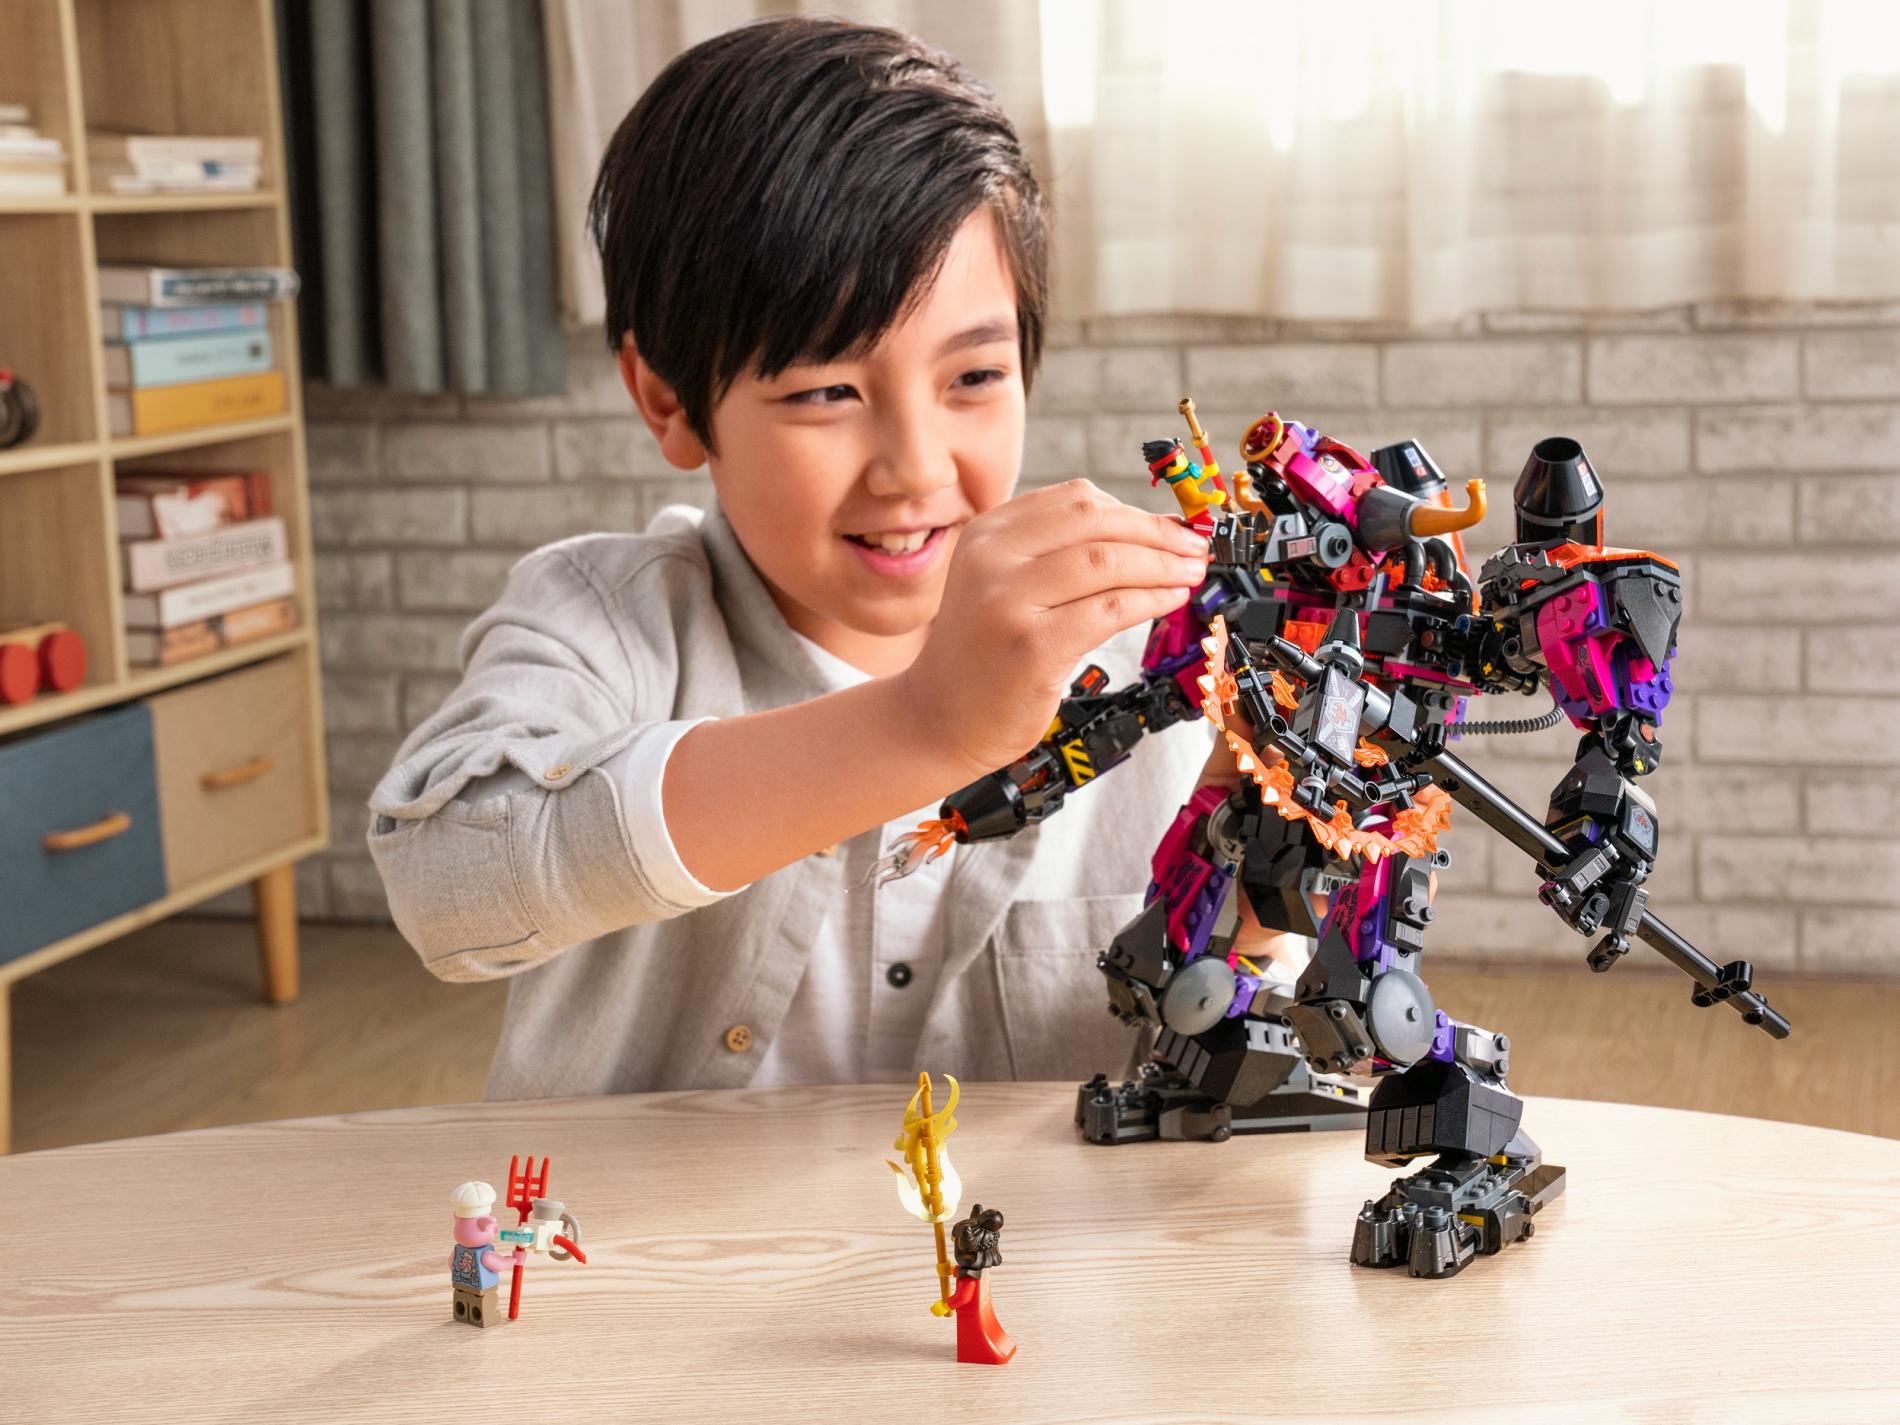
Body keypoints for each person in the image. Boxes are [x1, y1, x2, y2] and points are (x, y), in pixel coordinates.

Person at [367, 15, 1223, 1099]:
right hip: (663, 1212)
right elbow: (446, 886)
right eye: (826, 392)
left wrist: (1255, 903)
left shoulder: (1162, 656)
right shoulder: (603, 619)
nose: (914, 469)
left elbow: (1228, 1053)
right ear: (668, 401)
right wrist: (925, 725)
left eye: (973, 378)